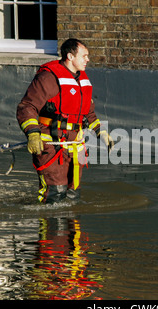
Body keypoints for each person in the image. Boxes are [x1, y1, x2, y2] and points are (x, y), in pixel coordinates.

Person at [17, 39, 113, 204]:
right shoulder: (48, 78)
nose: (87, 60)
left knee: (72, 195)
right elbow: (27, 107)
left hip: (75, 147)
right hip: (52, 147)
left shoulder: (82, 79)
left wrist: (102, 133)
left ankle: (72, 228)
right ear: (70, 56)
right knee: (54, 195)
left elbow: (88, 112)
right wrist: (33, 134)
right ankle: (50, 227)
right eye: (84, 56)